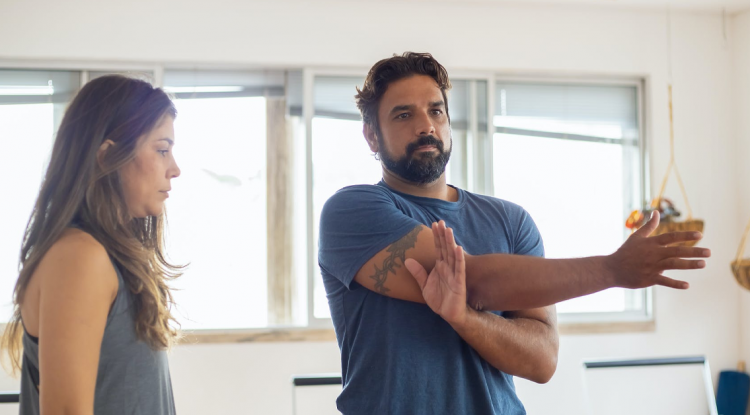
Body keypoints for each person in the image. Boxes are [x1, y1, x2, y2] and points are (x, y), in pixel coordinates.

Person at [318, 52, 711, 414]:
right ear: (371, 135)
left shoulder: (510, 220)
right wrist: (611, 270)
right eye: (403, 115)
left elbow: (541, 361)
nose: (426, 126)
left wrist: (466, 320)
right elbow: (475, 281)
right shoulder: (351, 212)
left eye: (436, 111)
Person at [1, 75, 182, 415]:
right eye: (161, 150)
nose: (175, 169)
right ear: (107, 156)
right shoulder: (79, 256)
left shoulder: (103, 254)